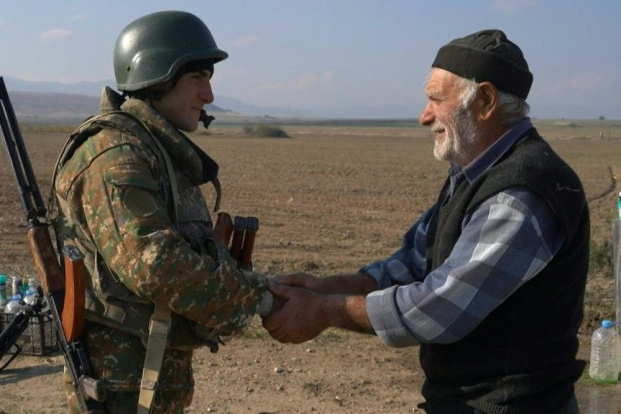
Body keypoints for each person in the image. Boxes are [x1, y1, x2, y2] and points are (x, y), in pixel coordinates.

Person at [264, 29, 588, 414]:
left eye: (436, 99)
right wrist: (323, 287)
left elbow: (440, 308)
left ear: (484, 101)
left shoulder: (520, 192)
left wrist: (328, 310)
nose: (424, 116)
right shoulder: (473, 175)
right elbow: (413, 263)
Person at [51, 10, 276, 413]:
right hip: (120, 385)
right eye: (197, 78)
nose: (208, 96)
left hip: (151, 375)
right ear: (157, 76)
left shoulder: (154, 151)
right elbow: (156, 265)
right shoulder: (114, 155)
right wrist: (260, 300)